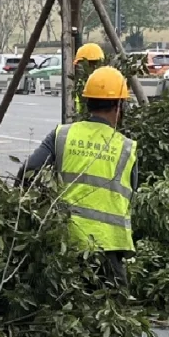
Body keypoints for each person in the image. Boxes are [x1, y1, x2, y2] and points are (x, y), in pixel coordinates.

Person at [17, 65, 136, 285]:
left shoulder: (62, 135)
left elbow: (27, 173)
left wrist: (39, 207)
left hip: (66, 245)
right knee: (114, 302)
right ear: (119, 106)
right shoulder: (126, 148)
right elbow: (130, 195)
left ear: (87, 102)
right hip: (110, 249)